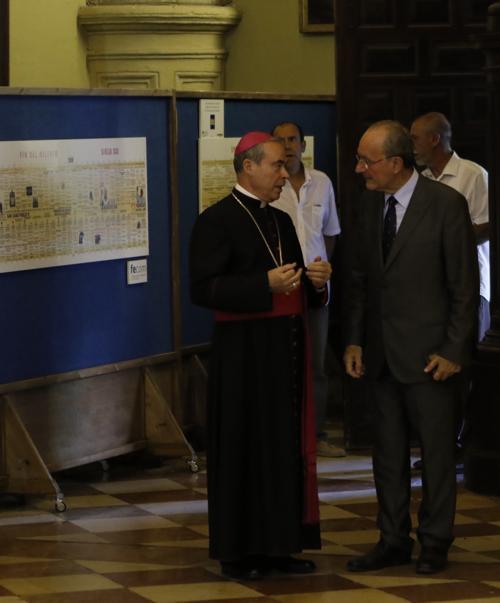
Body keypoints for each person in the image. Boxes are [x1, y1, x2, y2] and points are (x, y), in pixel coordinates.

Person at [189, 131, 332, 580]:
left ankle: (280, 546)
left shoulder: (282, 220)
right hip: (244, 358)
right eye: (275, 164)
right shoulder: (216, 221)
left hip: (284, 352)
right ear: (248, 166)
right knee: (245, 448)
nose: (283, 173)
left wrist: (317, 282)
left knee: (281, 449)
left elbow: (293, 284)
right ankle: (240, 552)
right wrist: (261, 285)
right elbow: (203, 289)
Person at [343, 120, 478, 575]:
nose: (360, 168)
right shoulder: (367, 206)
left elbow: (464, 286)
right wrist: (355, 340)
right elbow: (360, 281)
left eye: (367, 160)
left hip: (431, 357)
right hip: (380, 356)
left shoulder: (445, 205)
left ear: (396, 163)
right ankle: (392, 540)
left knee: (437, 456)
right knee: (387, 456)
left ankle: (436, 541)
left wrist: (454, 350)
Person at [271, 120, 345, 458]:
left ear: (303, 145)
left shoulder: (323, 183)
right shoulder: (271, 184)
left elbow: (330, 232)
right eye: (280, 140)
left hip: (317, 287)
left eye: (292, 140)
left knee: (316, 364)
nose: (287, 146)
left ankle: (315, 435)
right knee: (283, 361)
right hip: (281, 286)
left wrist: (322, 268)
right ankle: (285, 435)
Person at [411, 112, 491, 341]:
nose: (411, 147)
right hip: (432, 289)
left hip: (470, 286)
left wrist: (440, 241)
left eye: (415, 139)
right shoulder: (421, 180)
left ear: (435, 139)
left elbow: (488, 227)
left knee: (469, 354)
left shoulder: (473, 175)